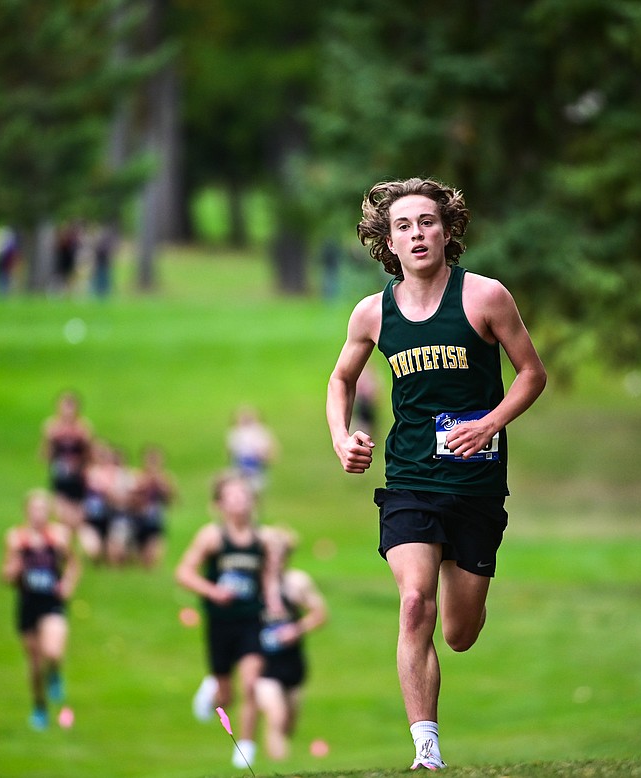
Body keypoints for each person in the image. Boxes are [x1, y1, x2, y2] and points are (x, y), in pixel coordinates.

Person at [325, 177, 547, 771]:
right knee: (415, 601)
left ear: (448, 232)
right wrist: (342, 437)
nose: (417, 234)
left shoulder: (485, 298)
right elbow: (340, 379)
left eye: (427, 222)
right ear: (387, 242)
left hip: (475, 484)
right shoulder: (372, 314)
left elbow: (531, 374)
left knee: (458, 631)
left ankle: (464, 577)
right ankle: (427, 750)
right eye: (403, 226)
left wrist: (489, 425)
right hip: (410, 480)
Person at [174, 471, 286, 770]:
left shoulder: (264, 539)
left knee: (251, 683)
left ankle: (246, 746)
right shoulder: (212, 537)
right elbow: (183, 573)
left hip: (251, 620)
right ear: (220, 504)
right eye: (232, 496)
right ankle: (214, 688)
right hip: (220, 623)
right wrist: (213, 591)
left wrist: (274, 601)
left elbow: (269, 578)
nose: (239, 501)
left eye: (243, 495)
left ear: (252, 500)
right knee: (228, 695)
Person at [1, 489, 80, 730]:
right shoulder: (16, 539)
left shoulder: (59, 537)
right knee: (34, 665)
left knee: (53, 651)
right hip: (28, 605)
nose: (39, 514)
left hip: (52, 603)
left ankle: (55, 672)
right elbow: (6, 575)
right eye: (34, 510)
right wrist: (12, 572)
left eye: (43, 509)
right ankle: (39, 707)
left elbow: (74, 564)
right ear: (26, 512)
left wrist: (67, 584)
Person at [255, 528, 328, 761]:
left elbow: (320, 613)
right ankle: (280, 766)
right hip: (262, 664)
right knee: (276, 716)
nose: (276, 560)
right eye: (269, 554)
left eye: (280, 554)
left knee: (288, 723)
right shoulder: (253, 585)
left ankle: (279, 761)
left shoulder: (296, 582)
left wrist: (296, 630)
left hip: (292, 661)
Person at [40, 391, 93, 537]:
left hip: (78, 478)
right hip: (60, 477)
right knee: (61, 516)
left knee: (77, 519)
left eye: (71, 407)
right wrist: (51, 440)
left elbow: (89, 455)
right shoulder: (51, 427)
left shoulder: (83, 428)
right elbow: (45, 455)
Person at [126, 444, 177, 570]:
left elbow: (171, 501)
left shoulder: (165, 478)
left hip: (156, 520)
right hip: (137, 520)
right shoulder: (137, 476)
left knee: (153, 558)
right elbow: (130, 500)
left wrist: (163, 487)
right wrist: (143, 487)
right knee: (138, 558)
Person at [226, 405, 279, 495]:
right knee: (240, 487)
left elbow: (270, 450)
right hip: (241, 464)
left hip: (256, 465)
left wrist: (265, 456)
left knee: (255, 488)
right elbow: (231, 451)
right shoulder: (235, 433)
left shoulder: (261, 432)